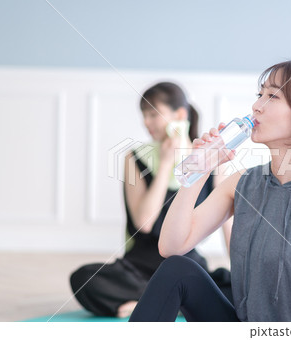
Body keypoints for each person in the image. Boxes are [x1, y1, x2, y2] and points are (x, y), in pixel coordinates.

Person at [129, 61, 291, 322]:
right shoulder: (241, 183)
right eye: (259, 94)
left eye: (272, 96)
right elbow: (171, 246)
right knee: (177, 270)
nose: (256, 106)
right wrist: (200, 169)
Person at [70, 82, 232, 318]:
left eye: (153, 115)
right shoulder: (134, 157)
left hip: (186, 264)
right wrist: (166, 163)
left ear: (180, 115)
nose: (147, 122)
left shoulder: (210, 161)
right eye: (143, 115)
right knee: (84, 279)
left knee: (232, 285)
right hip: (138, 267)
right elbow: (144, 223)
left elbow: (229, 227)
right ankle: (172, 298)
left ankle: (155, 299)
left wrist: (243, 274)